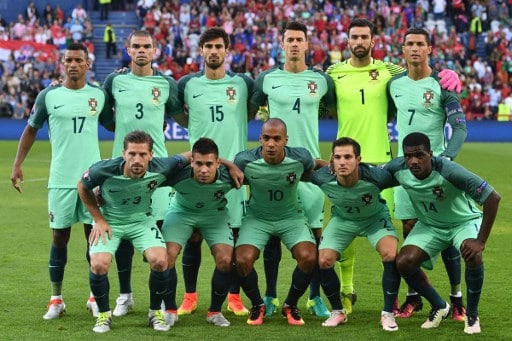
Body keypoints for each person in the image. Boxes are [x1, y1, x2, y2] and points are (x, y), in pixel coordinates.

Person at [326, 18, 462, 315]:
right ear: (347, 41)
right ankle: (350, 290)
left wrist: (449, 74)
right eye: (354, 36)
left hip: (388, 166)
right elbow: (318, 99)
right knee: (346, 226)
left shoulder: (391, 73)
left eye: (365, 36)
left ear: (373, 41)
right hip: (351, 163)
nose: (359, 41)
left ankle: (437, 298)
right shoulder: (332, 74)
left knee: (401, 233)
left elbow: (425, 77)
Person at [10, 43, 113, 320]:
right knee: (59, 237)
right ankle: (56, 299)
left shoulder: (99, 95)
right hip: (60, 180)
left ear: (87, 64)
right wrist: (18, 164)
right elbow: (30, 129)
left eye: (79, 60)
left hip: (92, 180)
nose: (73, 64)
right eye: (69, 60)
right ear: (62, 63)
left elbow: (114, 124)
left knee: (94, 239)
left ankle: (95, 297)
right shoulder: (49, 96)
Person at [249, 20, 337, 318]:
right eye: (290, 39)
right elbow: (253, 108)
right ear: (282, 43)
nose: (295, 44)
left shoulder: (321, 80)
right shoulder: (267, 79)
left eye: (300, 39)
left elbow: (331, 108)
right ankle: (271, 294)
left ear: (307, 44)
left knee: (313, 236)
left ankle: (314, 297)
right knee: (273, 235)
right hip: (273, 166)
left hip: (309, 166)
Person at [170, 27, 254, 317]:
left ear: (227, 50)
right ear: (201, 51)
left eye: (219, 46)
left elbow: (253, 112)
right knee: (192, 239)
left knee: (233, 237)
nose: (214, 51)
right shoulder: (187, 85)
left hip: (233, 178)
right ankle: (190, 296)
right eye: (208, 46)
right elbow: (180, 116)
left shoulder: (243, 84)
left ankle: (233, 296)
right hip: (197, 175)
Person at [387, 26, 468, 320]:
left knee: (446, 234)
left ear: (429, 49)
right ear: (403, 49)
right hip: (405, 176)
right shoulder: (393, 84)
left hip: (437, 174)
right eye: (410, 44)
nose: (415, 48)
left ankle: (457, 298)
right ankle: (413, 297)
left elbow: (459, 126)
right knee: (409, 230)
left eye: (420, 44)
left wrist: (446, 159)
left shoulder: (442, 84)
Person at [384, 132, 500, 334]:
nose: (413, 161)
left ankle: (472, 315)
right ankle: (440, 306)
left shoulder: (450, 170)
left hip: (462, 222)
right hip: (430, 225)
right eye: (409, 156)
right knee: (404, 262)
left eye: (420, 155)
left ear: (430, 154)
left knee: (472, 253)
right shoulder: (398, 168)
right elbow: (369, 175)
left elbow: (492, 197)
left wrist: (480, 241)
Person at [102, 30, 181, 317]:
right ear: (127, 49)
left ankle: (159, 301)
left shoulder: (166, 83)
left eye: (146, 46)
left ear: (155, 50)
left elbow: (179, 114)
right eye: (136, 46)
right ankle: (125, 295)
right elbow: (107, 119)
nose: (141, 51)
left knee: (157, 236)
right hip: (122, 169)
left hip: (157, 171)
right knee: (122, 235)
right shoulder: (115, 81)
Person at [77, 130, 187, 333]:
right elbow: (82, 187)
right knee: (99, 265)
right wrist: (99, 219)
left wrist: (228, 165)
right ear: (123, 153)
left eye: (143, 154)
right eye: (132, 154)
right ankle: (103, 316)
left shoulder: (163, 166)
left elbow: (192, 155)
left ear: (151, 155)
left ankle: (155, 313)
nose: (137, 159)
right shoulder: (104, 169)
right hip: (111, 221)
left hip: (141, 221)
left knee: (161, 261)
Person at [234, 118, 320, 326]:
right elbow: (231, 174)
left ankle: (290, 305)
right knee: (242, 260)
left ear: (285, 140)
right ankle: (257, 305)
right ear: (260, 139)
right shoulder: (244, 160)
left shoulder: (300, 157)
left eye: (276, 139)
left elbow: (313, 168)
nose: (271, 144)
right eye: (266, 138)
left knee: (309, 257)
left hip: (291, 217)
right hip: (257, 218)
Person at [313, 137, 400, 331]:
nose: (342, 162)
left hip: (374, 219)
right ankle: (337, 312)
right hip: (343, 220)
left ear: (358, 159)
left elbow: (404, 174)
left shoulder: (377, 177)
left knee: (390, 254)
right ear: (331, 160)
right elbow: (297, 170)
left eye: (348, 157)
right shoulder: (322, 177)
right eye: (337, 157)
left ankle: (388, 314)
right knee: (324, 260)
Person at [161, 137, 243, 327]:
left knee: (225, 259)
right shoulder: (177, 174)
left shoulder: (229, 176)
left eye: (209, 164)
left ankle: (214, 312)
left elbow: (264, 180)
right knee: (166, 256)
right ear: (191, 161)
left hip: (214, 215)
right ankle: (170, 310)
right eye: (198, 164)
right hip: (181, 212)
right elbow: (148, 177)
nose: (203, 170)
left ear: (218, 163)